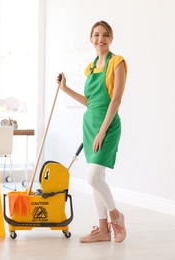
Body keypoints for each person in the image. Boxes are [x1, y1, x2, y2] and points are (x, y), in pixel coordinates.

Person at [57, 20, 128, 243]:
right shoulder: (90, 67)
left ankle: (117, 216)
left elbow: (115, 100)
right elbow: (90, 101)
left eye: (105, 35)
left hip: (107, 127)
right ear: (91, 39)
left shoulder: (117, 63)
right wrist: (65, 89)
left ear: (111, 39)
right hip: (90, 125)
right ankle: (104, 230)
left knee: (93, 177)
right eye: (96, 35)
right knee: (98, 178)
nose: (101, 39)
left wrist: (102, 131)